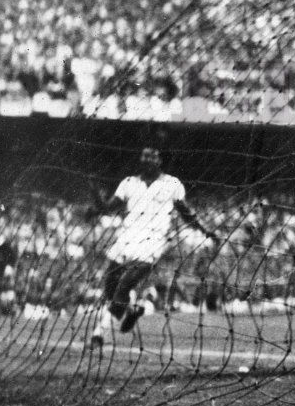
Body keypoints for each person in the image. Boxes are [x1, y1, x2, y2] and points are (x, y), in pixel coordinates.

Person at [88, 147, 219, 349]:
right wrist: (95, 192)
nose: (147, 159)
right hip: (126, 237)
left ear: (159, 160)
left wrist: (204, 230)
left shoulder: (172, 184)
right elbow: (107, 207)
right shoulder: (129, 183)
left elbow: (186, 212)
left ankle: (99, 332)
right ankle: (132, 309)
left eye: (152, 156)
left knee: (125, 284)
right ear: (140, 159)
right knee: (110, 286)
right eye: (144, 156)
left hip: (152, 242)